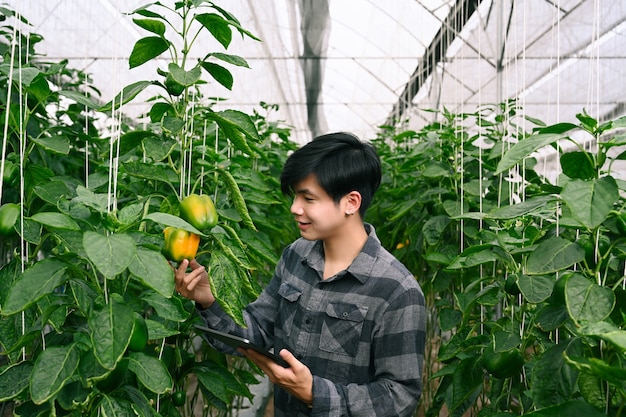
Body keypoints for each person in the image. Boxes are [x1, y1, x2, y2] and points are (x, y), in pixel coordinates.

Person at [174, 132, 426, 416]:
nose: (295, 208)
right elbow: (258, 330)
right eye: (296, 195)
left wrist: (314, 394)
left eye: (308, 198)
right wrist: (209, 301)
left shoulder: (395, 290)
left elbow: (400, 397)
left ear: (351, 202)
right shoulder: (296, 256)